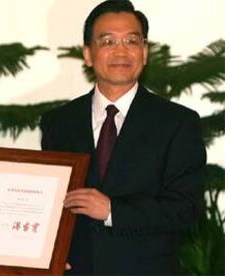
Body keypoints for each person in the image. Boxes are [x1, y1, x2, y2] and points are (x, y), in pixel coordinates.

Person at [40, 0, 206, 274]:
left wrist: (112, 210)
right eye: (107, 41)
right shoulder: (58, 122)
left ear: (144, 52)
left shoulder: (177, 122)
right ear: (88, 54)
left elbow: (187, 208)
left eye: (131, 40)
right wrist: (46, 251)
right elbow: (51, 202)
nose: (121, 51)